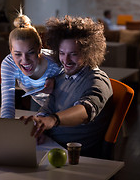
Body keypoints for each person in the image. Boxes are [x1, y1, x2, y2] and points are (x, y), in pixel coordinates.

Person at [21, 16, 113, 158]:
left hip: (75, 156)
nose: (65, 60)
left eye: (73, 54)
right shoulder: (62, 76)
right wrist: (40, 126)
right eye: (62, 53)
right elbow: (48, 107)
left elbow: (85, 111)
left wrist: (52, 120)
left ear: (89, 52)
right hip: (50, 145)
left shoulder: (98, 81)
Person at [0, 10, 63, 119]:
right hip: (39, 103)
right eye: (18, 54)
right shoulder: (9, 64)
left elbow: (77, 88)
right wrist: (6, 128)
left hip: (63, 106)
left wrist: (59, 84)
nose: (25, 60)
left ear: (39, 48)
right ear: (11, 50)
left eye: (31, 52)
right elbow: (7, 104)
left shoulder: (56, 62)